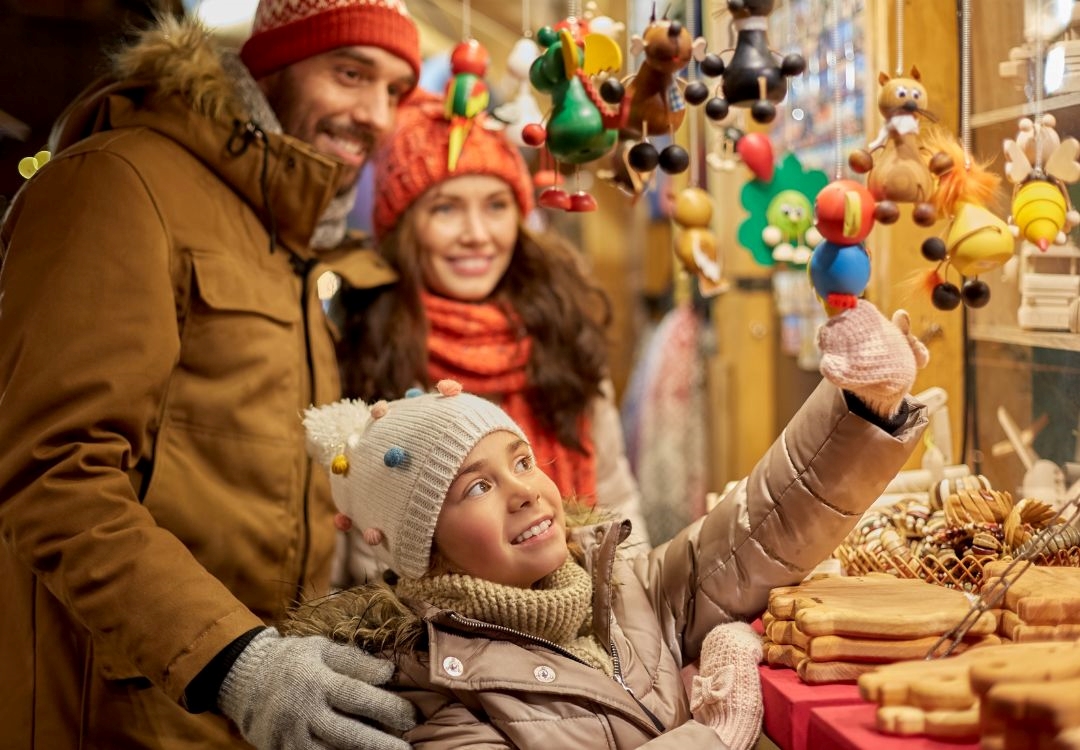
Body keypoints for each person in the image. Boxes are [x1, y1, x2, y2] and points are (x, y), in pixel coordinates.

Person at [0, 1, 426, 747]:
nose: (377, 116)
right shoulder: (121, 180)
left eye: (395, 89)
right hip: (122, 714)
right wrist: (236, 661)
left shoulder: (283, 233)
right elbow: (52, 469)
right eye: (351, 74)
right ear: (273, 68)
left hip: (247, 712)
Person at [289, 297, 930, 748]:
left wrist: (860, 408)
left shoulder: (625, 589)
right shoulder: (433, 694)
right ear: (424, 549)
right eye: (477, 487)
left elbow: (755, 532)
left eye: (522, 461)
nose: (523, 491)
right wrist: (714, 734)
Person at [333, 94, 651, 584]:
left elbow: (615, 500)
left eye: (497, 206)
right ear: (403, 226)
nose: (477, 234)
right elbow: (363, 555)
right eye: (446, 209)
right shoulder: (367, 348)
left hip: (586, 601)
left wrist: (628, 606)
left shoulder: (559, 328)